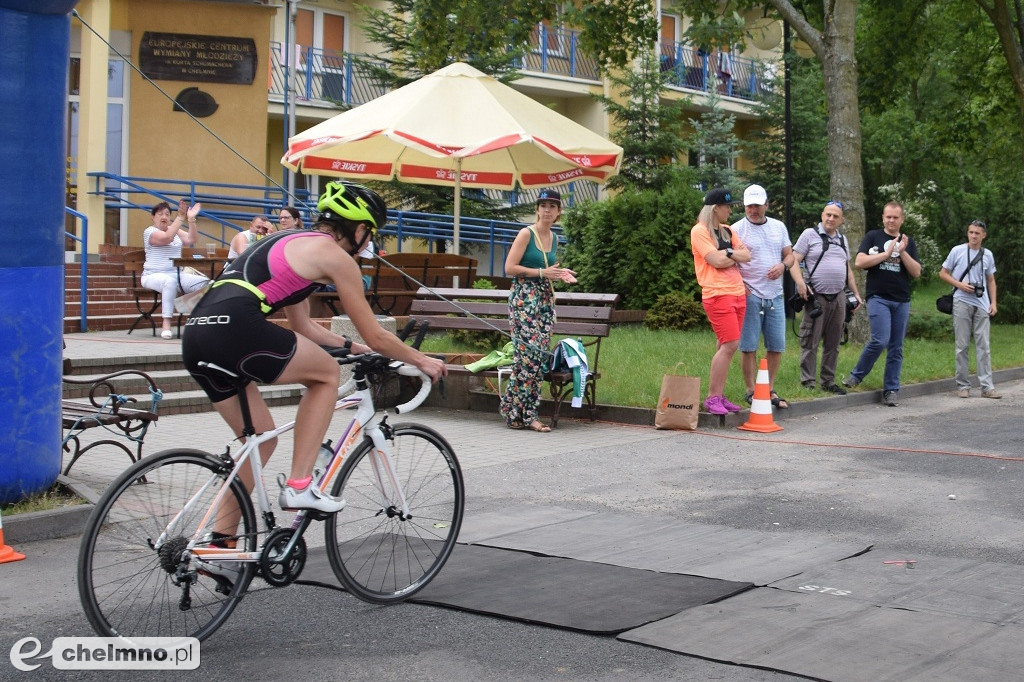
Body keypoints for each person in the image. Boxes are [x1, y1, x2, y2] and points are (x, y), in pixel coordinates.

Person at [182, 180, 445, 515]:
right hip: (237, 328)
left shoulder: (288, 240)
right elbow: (378, 334)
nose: (369, 243)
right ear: (360, 229)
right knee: (325, 374)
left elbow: (303, 327)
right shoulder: (337, 258)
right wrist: (422, 360)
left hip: (198, 334)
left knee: (260, 441)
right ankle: (299, 485)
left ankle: (221, 545)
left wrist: (354, 347)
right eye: (371, 234)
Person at [500, 188, 576, 433]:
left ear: (558, 212)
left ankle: (514, 412)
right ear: (537, 209)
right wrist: (543, 273)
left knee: (539, 359)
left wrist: (561, 274)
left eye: (552, 206)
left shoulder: (554, 238)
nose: (547, 210)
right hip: (524, 299)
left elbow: (547, 268)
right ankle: (525, 414)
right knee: (528, 358)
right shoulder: (526, 233)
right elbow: (509, 267)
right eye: (543, 205)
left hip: (543, 300)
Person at [843, 201, 922, 406]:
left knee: (896, 347)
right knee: (880, 340)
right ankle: (856, 376)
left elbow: (916, 272)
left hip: (901, 300)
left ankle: (891, 390)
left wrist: (902, 251)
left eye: (895, 217)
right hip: (878, 297)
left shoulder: (908, 241)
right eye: (888, 216)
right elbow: (859, 262)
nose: (891, 220)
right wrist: (886, 254)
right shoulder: (873, 237)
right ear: (883, 218)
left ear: (902, 219)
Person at [789, 200, 862, 394]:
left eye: (835, 216)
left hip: (838, 298)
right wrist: (800, 283)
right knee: (810, 340)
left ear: (841, 220)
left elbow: (848, 269)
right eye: (828, 214)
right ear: (822, 215)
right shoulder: (809, 235)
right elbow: (792, 260)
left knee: (833, 342)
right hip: (816, 297)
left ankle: (828, 381)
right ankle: (808, 381)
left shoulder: (842, 239)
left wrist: (855, 294)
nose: (831, 219)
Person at [732, 184, 793, 409]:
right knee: (748, 346)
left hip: (775, 294)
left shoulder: (778, 227)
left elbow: (790, 255)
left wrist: (782, 266)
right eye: (749, 206)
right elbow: (729, 262)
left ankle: (767, 387)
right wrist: (740, 286)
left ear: (767, 205)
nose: (753, 210)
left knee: (776, 345)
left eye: (757, 205)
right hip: (750, 293)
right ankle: (750, 389)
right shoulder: (736, 229)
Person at [691, 187, 751, 415]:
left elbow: (747, 255)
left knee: (724, 344)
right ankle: (712, 398)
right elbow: (714, 260)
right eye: (727, 206)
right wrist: (731, 255)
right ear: (716, 208)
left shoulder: (727, 231)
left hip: (737, 293)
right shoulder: (699, 231)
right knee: (731, 344)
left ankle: (719, 394)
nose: (730, 210)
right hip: (717, 294)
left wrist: (727, 255)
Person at [939, 219, 999, 399]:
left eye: (977, 233)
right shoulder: (957, 251)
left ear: (983, 235)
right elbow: (943, 273)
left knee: (984, 345)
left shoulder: (987, 254)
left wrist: (993, 303)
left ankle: (987, 387)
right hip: (961, 301)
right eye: (971, 232)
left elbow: (991, 280)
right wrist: (960, 285)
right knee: (962, 345)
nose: (973, 236)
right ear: (967, 233)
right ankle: (963, 385)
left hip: (981, 303)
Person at [141, 199, 210, 339]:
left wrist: (191, 220)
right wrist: (180, 217)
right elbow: (166, 238)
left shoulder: (175, 230)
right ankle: (166, 323)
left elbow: (191, 239)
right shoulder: (150, 231)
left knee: (208, 284)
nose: (164, 217)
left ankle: (182, 306)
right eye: (160, 214)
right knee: (169, 283)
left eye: (167, 214)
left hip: (176, 274)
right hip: (152, 275)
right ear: (153, 217)